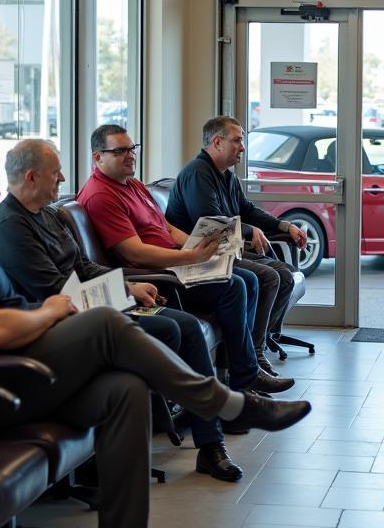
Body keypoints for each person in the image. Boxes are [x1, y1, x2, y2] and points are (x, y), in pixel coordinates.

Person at [0, 132, 312, 528]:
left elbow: (27, 301)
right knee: (107, 324)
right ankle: (227, 404)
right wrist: (50, 311)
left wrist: (62, 306)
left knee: (124, 390)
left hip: (14, 372)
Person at [0, 138, 243, 482]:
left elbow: (83, 266)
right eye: (55, 173)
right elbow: (54, 292)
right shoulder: (10, 228)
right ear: (31, 178)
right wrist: (116, 295)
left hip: (95, 301)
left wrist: (128, 288)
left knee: (187, 326)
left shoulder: (49, 215)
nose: (62, 179)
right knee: (168, 329)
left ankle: (210, 444)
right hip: (64, 323)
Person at [74, 124, 292, 397]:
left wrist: (198, 247)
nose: (130, 155)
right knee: (235, 285)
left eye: (132, 148)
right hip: (158, 278)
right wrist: (191, 256)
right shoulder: (101, 195)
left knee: (248, 278)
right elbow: (135, 253)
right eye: (120, 151)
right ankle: (244, 377)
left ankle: (241, 373)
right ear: (98, 157)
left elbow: (165, 228)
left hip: (177, 265)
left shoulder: (133, 185)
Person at [166, 115, 307, 364]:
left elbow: (247, 209)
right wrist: (250, 230)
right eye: (237, 141)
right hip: (203, 256)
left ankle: (252, 347)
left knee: (285, 276)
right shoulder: (199, 173)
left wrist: (284, 225)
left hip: (227, 250)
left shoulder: (226, 175)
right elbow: (209, 221)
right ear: (217, 142)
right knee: (271, 276)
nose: (242, 147)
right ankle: (252, 356)